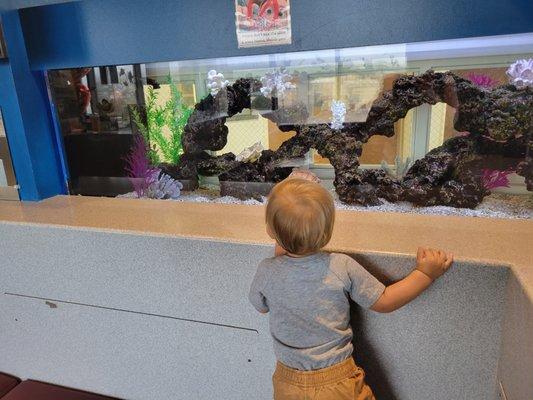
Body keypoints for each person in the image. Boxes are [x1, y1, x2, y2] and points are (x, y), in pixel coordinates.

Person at [249, 175, 453, 400]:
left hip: (288, 384)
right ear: (328, 232)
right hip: (336, 381)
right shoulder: (339, 265)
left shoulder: (266, 271)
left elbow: (261, 307)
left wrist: (286, 228)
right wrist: (425, 273)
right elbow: (384, 300)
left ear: (270, 231)